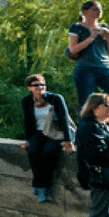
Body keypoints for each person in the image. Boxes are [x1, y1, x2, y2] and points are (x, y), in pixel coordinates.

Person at [68, 0, 109, 138]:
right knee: (86, 108)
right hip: (85, 70)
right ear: (85, 12)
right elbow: (73, 49)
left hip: (105, 69)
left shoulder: (104, 27)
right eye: (95, 9)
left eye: (100, 9)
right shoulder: (76, 28)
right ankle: (88, 140)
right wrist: (91, 37)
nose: (99, 12)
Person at [20, 74, 75, 202]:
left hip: (55, 134)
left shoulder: (55, 98)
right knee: (32, 151)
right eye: (36, 85)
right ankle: (39, 185)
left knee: (48, 152)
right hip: (38, 133)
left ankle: (41, 187)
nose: (40, 87)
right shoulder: (27, 101)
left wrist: (68, 141)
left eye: (42, 84)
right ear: (29, 88)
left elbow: (64, 119)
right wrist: (27, 140)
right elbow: (27, 122)